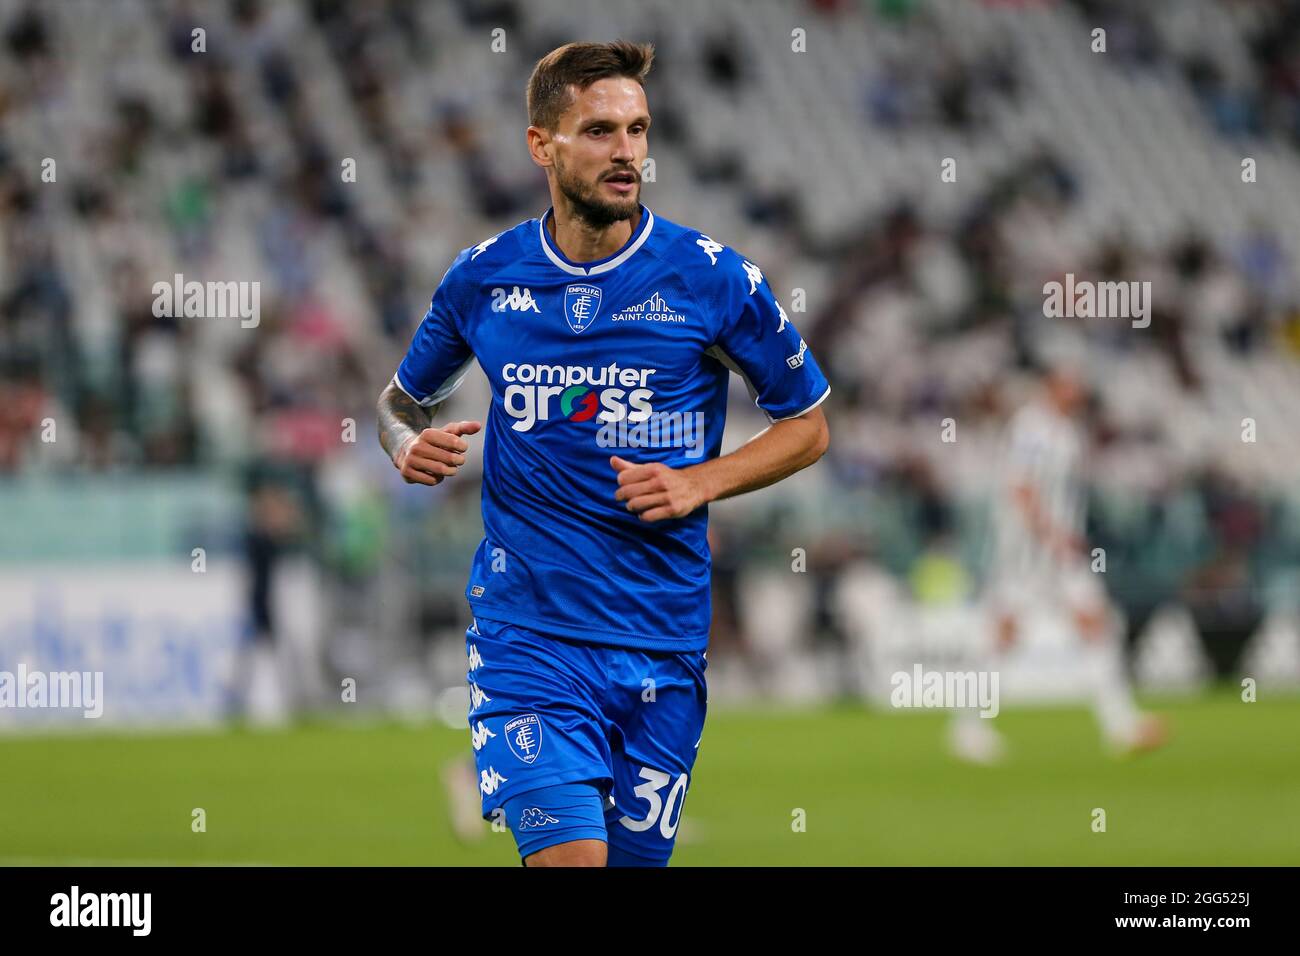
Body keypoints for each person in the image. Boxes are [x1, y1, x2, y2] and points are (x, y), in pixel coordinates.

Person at [376, 41, 830, 866]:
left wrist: (702, 482)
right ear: (541, 145)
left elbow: (809, 424)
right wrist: (407, 443)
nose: (626, 153)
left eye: (638, 130)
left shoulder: (712, 279)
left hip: (662, 641)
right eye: (599, 131)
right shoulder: (483, 279)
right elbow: (399, 402)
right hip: (529, 635)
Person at [952, 363, 1168, 763]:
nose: (1078, 391)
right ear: (1052, 384)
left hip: (1057, 554)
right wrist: (1050, 534)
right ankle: (967, 726)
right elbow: (1020, 486)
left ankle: (1121, 725)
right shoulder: (1031, 428)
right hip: (1028, 553)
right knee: (1005, 634)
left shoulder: (1066, 429)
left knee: (1093, 622)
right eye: (1070, 383)